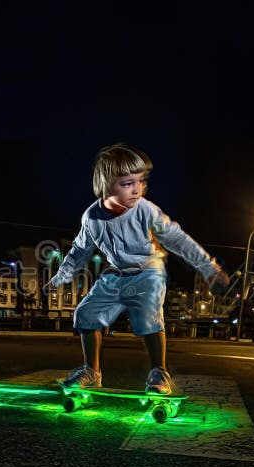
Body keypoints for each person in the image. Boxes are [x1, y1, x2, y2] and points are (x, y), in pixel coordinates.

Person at [45, 143, 229, 394]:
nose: (137, 189)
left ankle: (159, 373)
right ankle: (92, 371)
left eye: (141, 181)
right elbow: (80, 249)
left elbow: (177, 238)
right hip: (116, 273)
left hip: (148, 270)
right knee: (86, 314)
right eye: (128, 183)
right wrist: (61, 276)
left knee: (146, 317)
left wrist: (208, 268)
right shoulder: (91, 218)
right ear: (107, 184)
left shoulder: (147, 210)